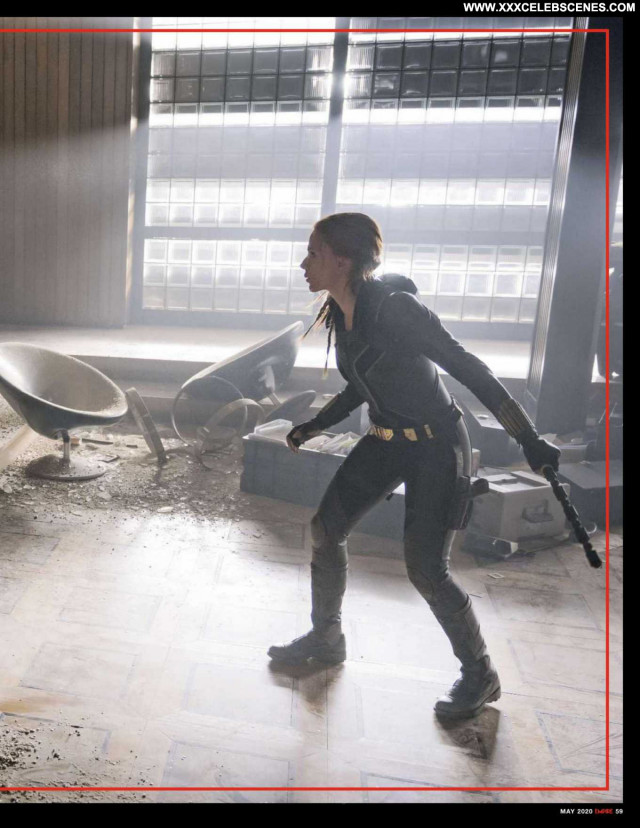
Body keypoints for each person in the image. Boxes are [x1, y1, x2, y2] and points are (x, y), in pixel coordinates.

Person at [267, 213, 560, 720]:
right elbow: (361, 383)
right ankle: (326, 637)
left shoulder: (397, 309)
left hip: (436, 447)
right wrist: (313, 425)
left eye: (313, 253)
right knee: (325, 529)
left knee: (426, 569)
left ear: (343, 260)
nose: (303, 263)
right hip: (385, 440)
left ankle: (480, 674)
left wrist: (528, 437)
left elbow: (472, 370)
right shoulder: (341, 310)